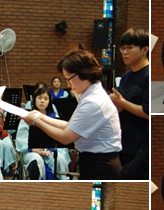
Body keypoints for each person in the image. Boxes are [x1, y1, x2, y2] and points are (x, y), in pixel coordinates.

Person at [23, 50, 122, 180]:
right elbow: (69, 125)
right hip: (95, 160)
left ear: (83, 73)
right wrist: (41, 116)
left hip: (101, 164)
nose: (68, 84)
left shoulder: (93, 102)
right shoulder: (90, 95)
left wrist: (36, 121)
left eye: (68, 79)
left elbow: (66, 137)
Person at [110, 28, 149, 166]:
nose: (125, 52)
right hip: (123, 141)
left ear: (144, 50)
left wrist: (122, 102)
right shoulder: (126, 77)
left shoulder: (148, 76)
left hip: (140, 145)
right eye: (123, 48)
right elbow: (123, 106)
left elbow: (148, 112)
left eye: (130, 48)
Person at [16, 86, 71, 180]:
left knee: (60, 159)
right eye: (39, 98)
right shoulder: (28, 117)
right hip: (31, 151)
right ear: (34, 99)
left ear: (49, 101)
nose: (42, 101)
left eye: (46, 99)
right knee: (36, 160)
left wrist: (51, 150)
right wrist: (33, 149)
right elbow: (21, 139)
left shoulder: (54, 117)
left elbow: (60, 138)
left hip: (50, 151)